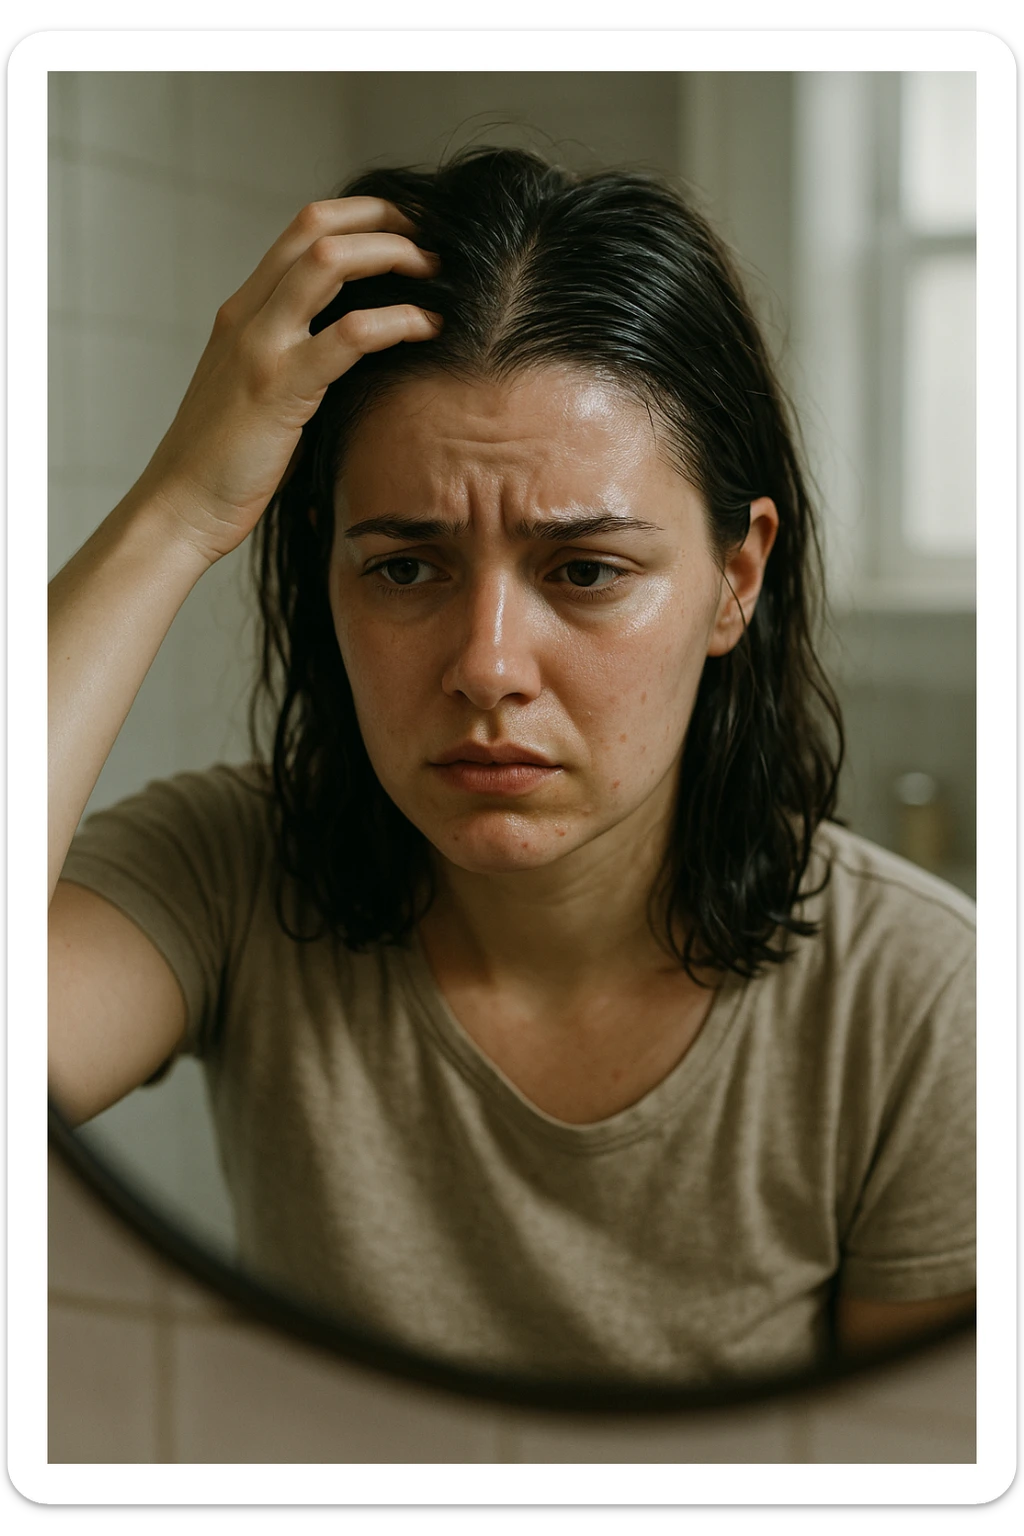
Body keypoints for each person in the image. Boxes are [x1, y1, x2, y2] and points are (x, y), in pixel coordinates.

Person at [48, 148, 975, 1385]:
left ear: (735, 577)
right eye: (404, 568)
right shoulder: (228, 875)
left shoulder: (922, 1006)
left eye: (584, 571)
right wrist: (175, 510)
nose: (486, 666)